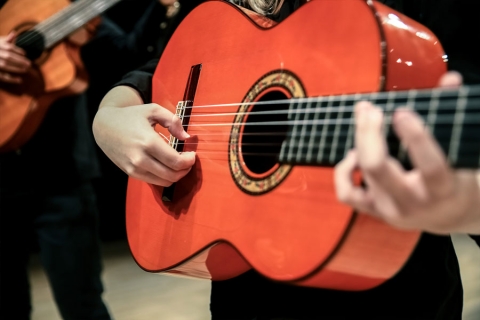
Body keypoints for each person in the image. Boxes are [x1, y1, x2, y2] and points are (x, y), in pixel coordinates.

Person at [92, 0, 480, 318]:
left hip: (394, 291)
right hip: (244, 297)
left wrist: (469, 207)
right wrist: (109, 116)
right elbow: (165, 65)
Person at [0, 1, 180, 319]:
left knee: (82, 304)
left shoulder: (68, 7)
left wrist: (158, 7)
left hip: (62, 171)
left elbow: (130, 52)